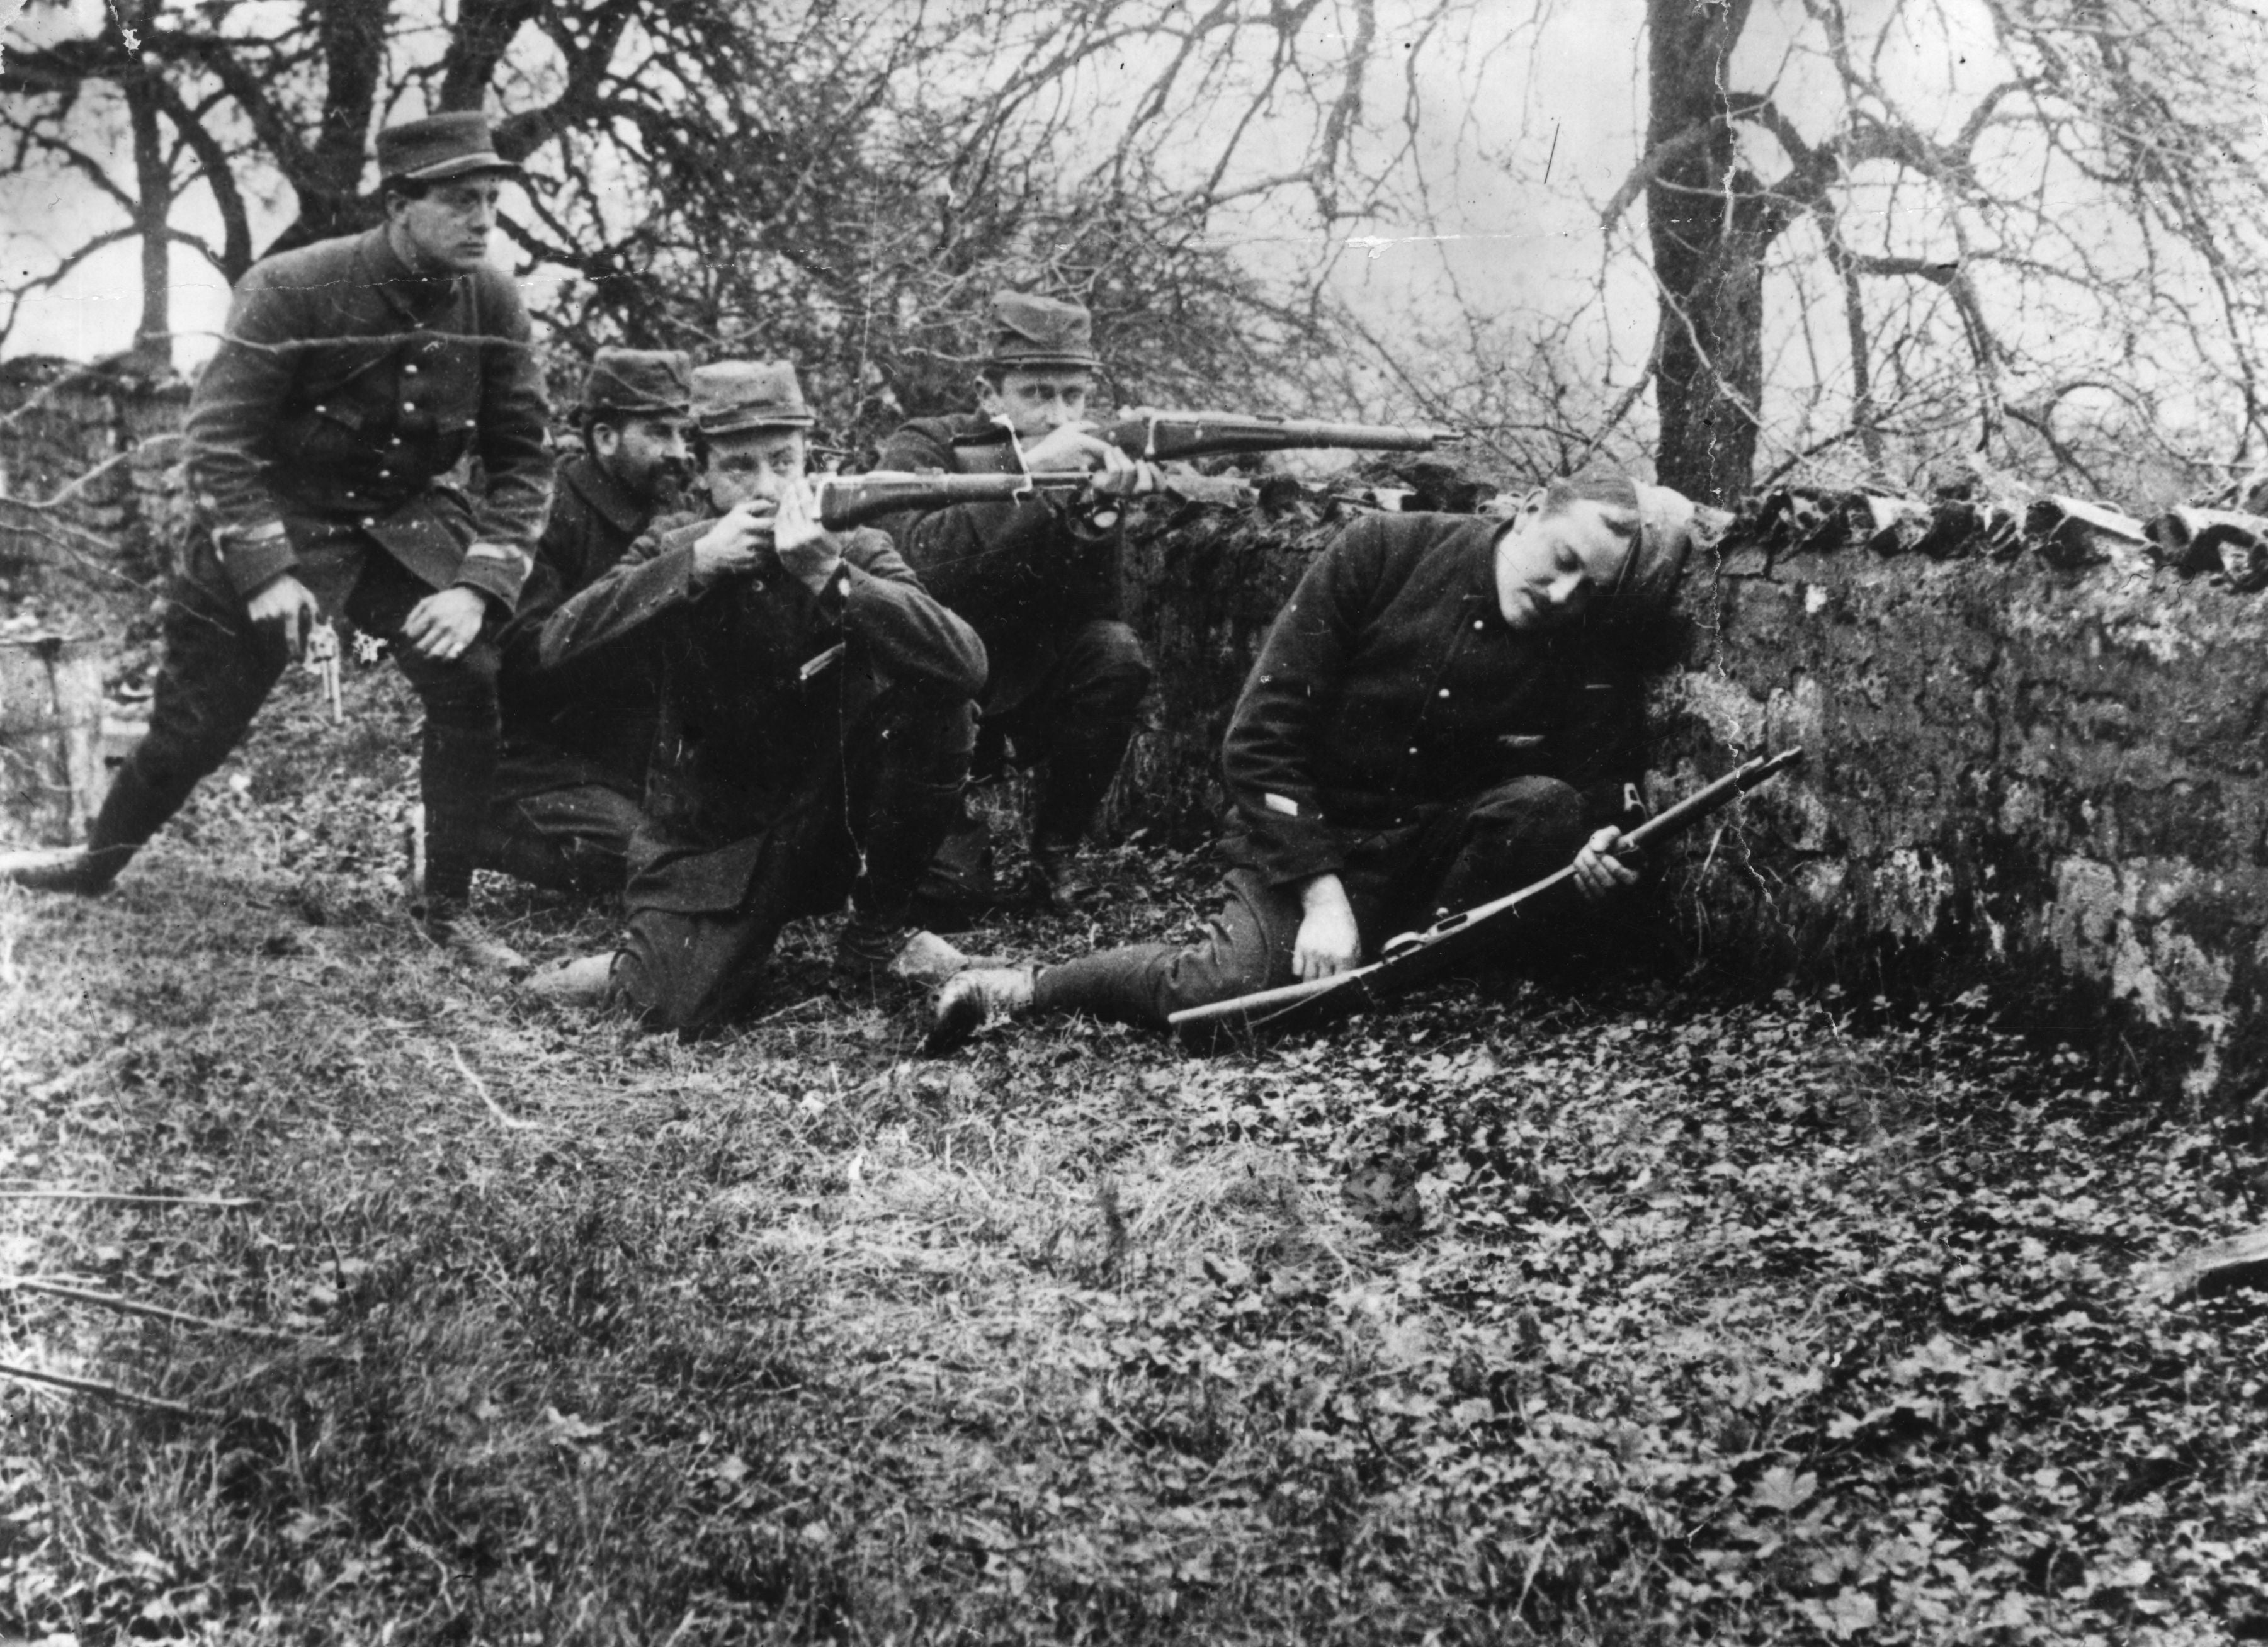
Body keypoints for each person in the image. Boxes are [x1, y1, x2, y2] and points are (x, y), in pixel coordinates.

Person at [3, 111, 550, 970]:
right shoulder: (292, 286)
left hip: (399, 527)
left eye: (491, 200)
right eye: (460, 201)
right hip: (278, 515)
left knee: (470, 675)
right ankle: (95, 863)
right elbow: (217, 444)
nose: (483, 221)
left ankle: (446, 910)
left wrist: (478, 585)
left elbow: (525, 462)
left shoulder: (493, 299)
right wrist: (264, 572)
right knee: (194, 729)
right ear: (398, 205)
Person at [928, 472, 1696, 1047]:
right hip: (1306, 846)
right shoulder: (1383, 549)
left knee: (1546, 808)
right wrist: (1324, 901)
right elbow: (1260, 739)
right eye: (1561, 559)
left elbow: (1599, 774)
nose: (1562, 595)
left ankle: (1417, 968)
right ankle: (1026, 987)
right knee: (1224, 993)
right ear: (1528, 509)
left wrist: (1602, 835)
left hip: (1435, 862)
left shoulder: (1582, 640)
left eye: (1588, 589)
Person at [523, 361, 990, 1033]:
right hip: (716, 838)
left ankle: (876, 934)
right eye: (740, 467)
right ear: (703, 472)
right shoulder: (672, 546)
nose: (768, 487)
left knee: (939, 701)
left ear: (808, 461)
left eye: (783, 462)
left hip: (835, 826)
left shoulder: (852, 545)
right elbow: (557, 644)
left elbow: (964, 664)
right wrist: (694, 565)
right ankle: (634, 963)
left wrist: (829, 575)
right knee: (667, 1009)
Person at [873, 290, 1157, 917]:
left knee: (1115, 655)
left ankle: (1056, 853)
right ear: (988, 394)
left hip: (1022, 693)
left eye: (1073, 396)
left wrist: (1098, 514)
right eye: (1037, 393)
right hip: (931, 705)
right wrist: (1026, 479)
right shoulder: (925, 446)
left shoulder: (1081, 461)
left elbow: (1099, 613)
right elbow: (917, 568)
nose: (1059, 415)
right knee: (948, 897)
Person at [482, 348, 694, 893]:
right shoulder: (544, 514)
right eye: (659, 433)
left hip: (628, 756)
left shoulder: (670, 508)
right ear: (605, 438)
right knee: (656, 862)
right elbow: (523, 662)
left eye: (683, 433)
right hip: (539, 761)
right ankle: (462, 829)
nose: (678, 452)